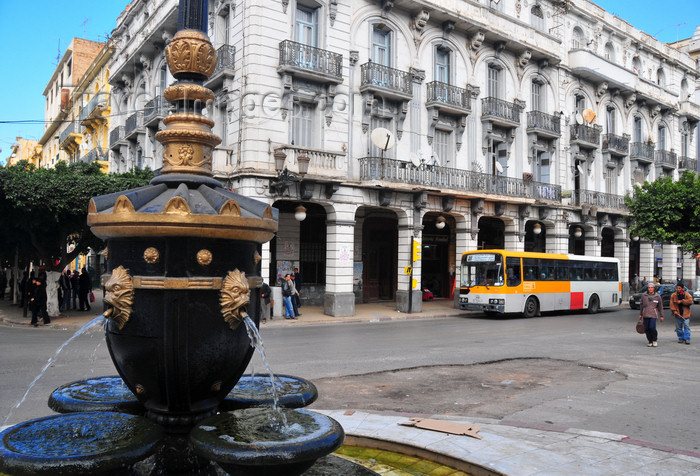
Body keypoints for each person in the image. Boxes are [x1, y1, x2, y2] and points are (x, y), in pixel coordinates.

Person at [638, 283, 663, 347]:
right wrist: (640, 314)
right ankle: (650, 341)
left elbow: (660, 306)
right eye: (649, 288)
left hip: (653, 314)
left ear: (654, 288)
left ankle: (654, 340)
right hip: (645, 314)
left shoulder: (657, 296)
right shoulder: (644, 295)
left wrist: (661, 315)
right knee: (646, 328)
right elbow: (641, 305)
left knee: (652, 327)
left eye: (651, 288)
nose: (650, 289)